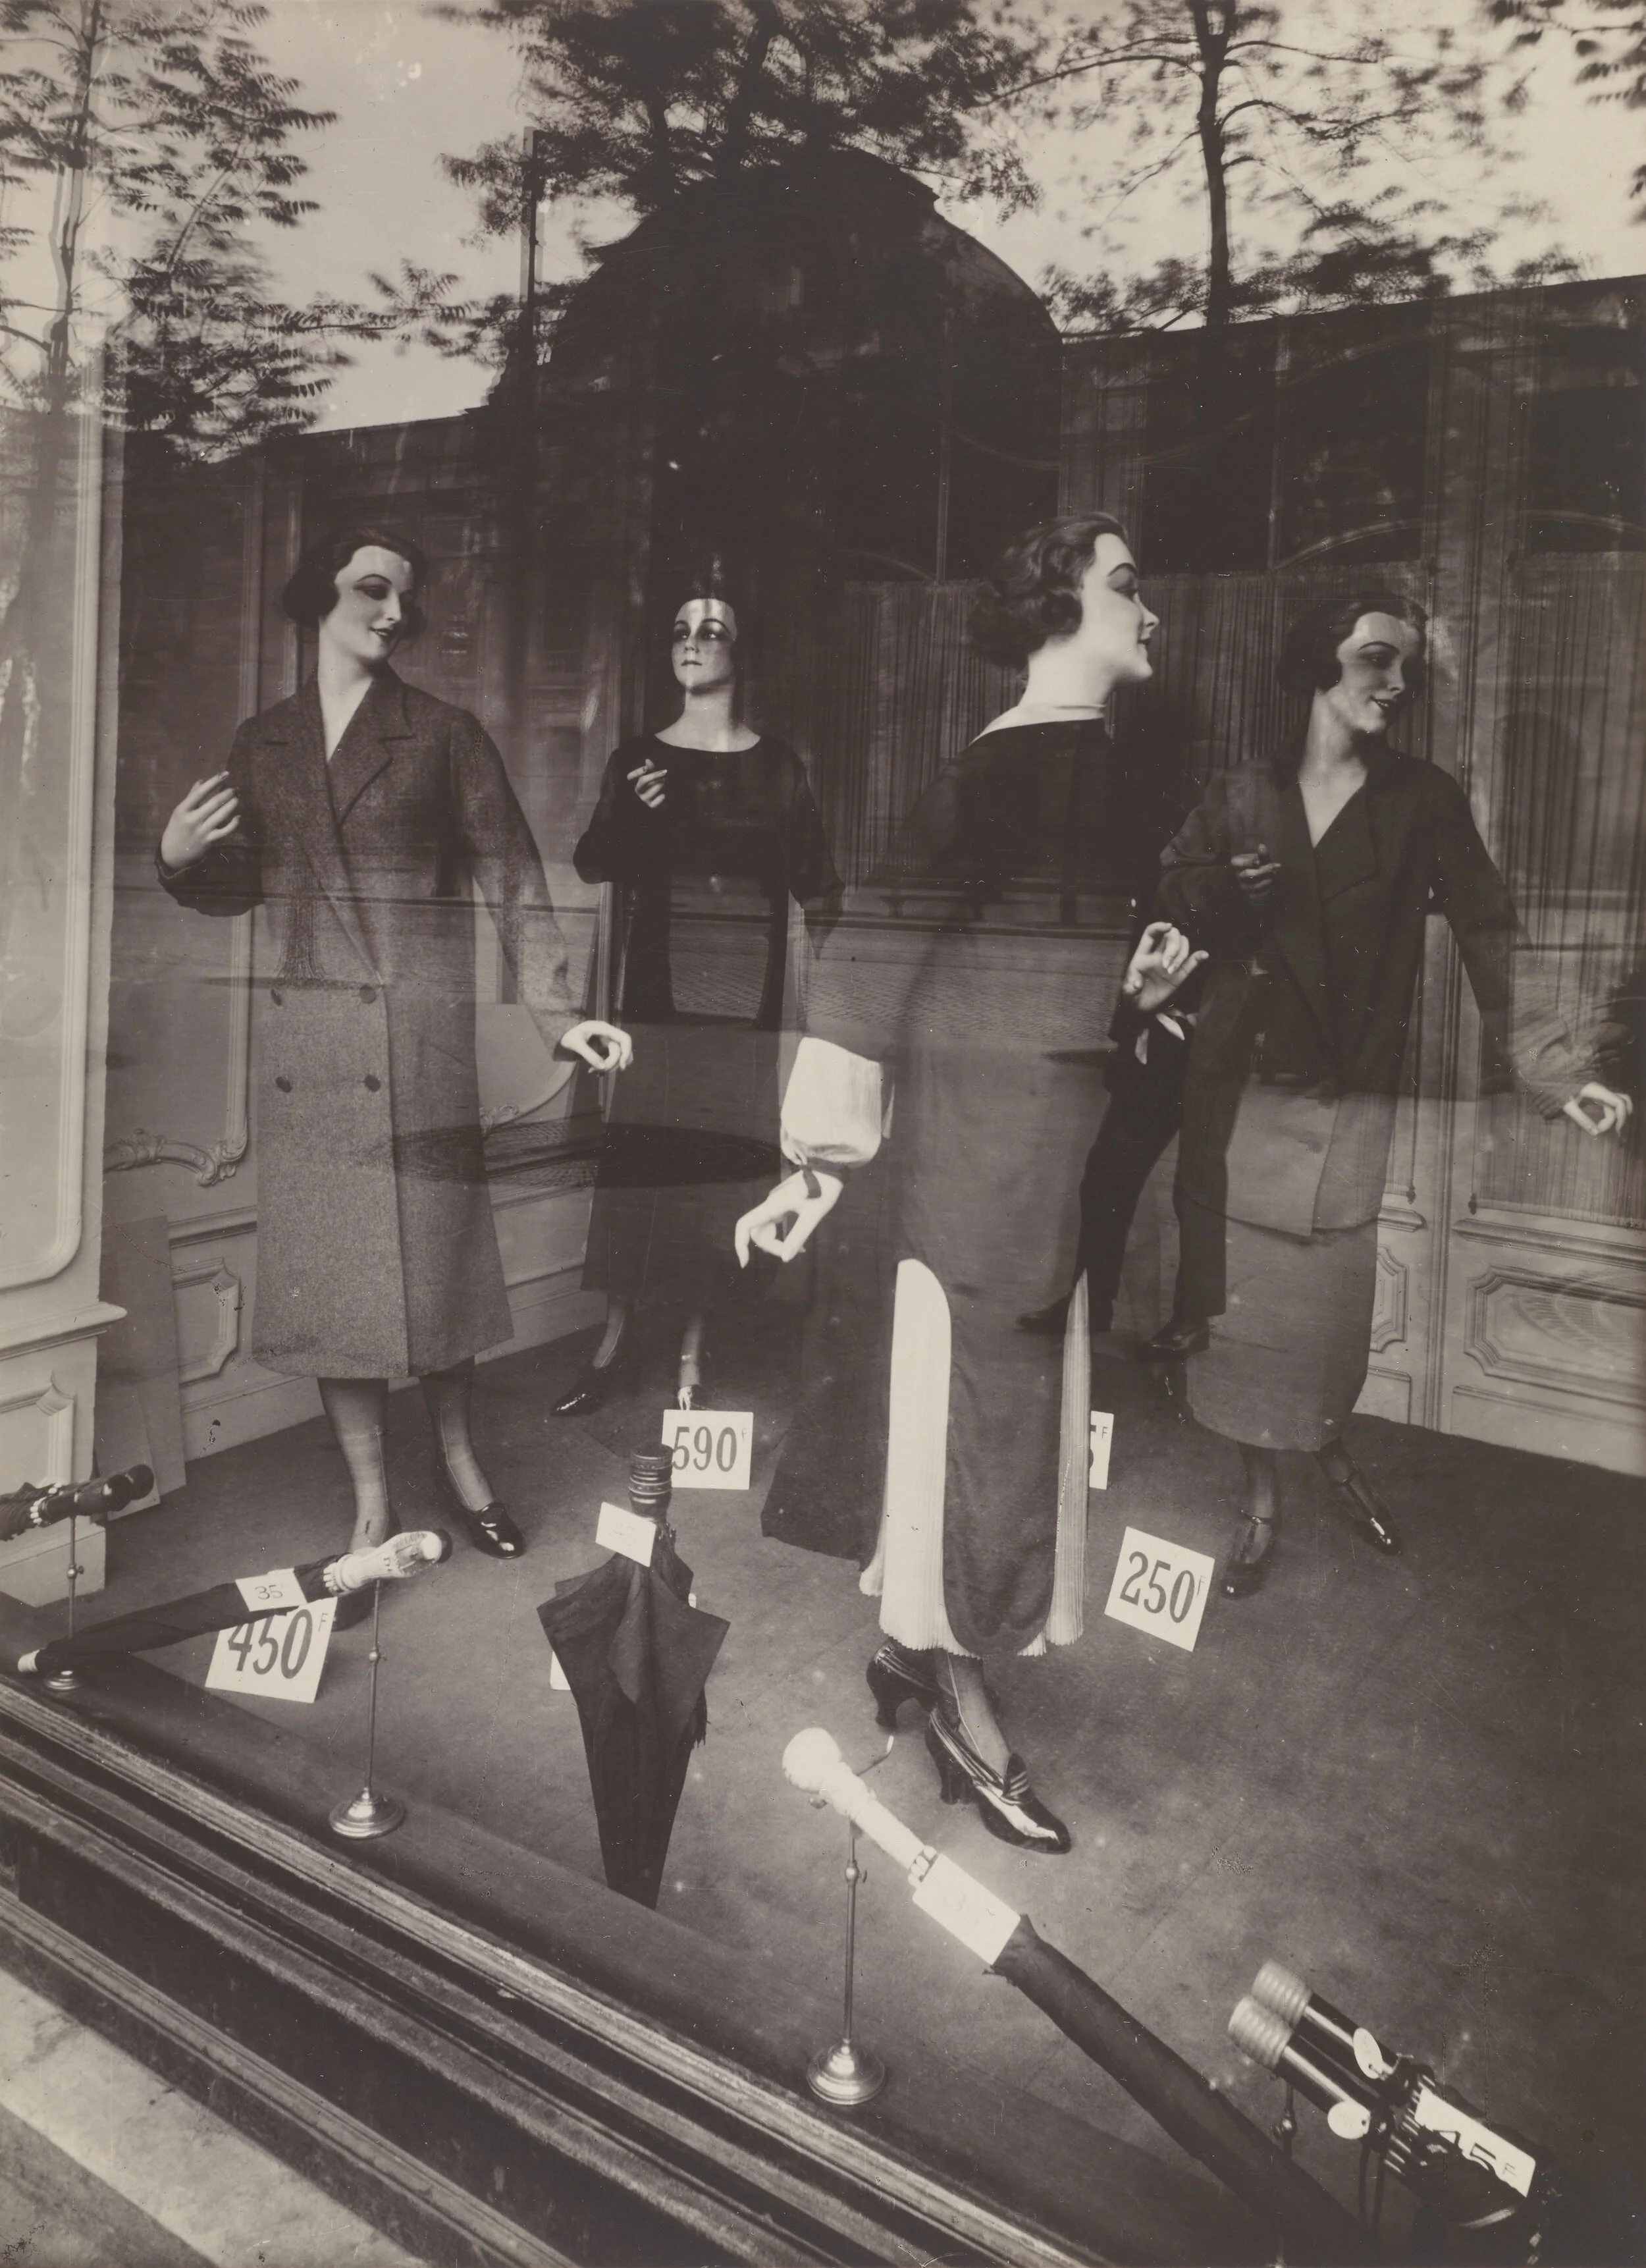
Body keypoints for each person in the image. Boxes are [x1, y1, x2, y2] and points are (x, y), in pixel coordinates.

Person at [735, 515, 1202, 1854]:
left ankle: (911, 1655)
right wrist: (815, 1163)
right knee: (980, 1429)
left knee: (1001, 1419)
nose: (1148, 613)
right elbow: (868, 958)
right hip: (978, 1167)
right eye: (1126, 587)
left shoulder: (1089, 766)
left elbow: (1013, 958)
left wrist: (1127, 988)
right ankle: (956, 1702)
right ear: (1056, 608)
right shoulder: (1001, 771)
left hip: (1040, 1153)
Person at [159, 527, 631, 1604]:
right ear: (314, 597)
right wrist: (177, 862)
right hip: (312, 1052)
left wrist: (558, 1011)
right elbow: (240, 885)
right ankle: (372, 1502)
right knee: (339, 1286)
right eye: (372, 590)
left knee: (437, 1272)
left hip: (415, 1043)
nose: (393, 614)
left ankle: (462, 1464)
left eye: (403, 600)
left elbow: (512, 877)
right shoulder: (263, 742)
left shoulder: (443, 734)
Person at [1157, 591, 1632, 1600]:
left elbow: (1488, 932)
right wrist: (1219, 896)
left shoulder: (1425, 798)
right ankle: (1260, 1499)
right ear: (1316, 661)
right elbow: (1168, 900)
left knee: (1325, 1312)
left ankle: (1329, 1453)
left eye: (1407, 668)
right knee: (1238, 1318)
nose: (1396, 683)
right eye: (1376, 657)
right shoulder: (1240, 790)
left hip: (1346, 1100)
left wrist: (1558, 1070)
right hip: (1235, 1101)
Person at [553, 562, 840, 1417]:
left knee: (717, 1179)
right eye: (679, 631)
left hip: (742, 1013)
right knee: (644, 1174)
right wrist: (636, 814)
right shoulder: (638, 759)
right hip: (654, 1007)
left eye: (709, 631)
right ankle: (613, 1344)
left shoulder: (780, 767)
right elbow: (594, 863)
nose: (691, 644)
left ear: (740, 651)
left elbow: (818, 884)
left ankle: (691, 1354)